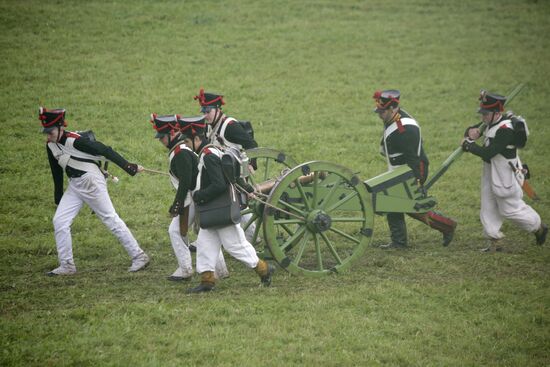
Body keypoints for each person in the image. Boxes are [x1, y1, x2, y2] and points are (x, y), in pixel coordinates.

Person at [39, 107, 149, 275]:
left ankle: (139, 256)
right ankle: (67, 265)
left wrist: (129, 167)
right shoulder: (50, 146)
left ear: (61, 127)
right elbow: (56, 172)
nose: (48, 136)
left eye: (51, 132)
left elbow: (105, 151)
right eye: (46, 133)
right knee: (59, 221)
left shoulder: (76, 141)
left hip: (91, 182)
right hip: (75, 184)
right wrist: (58, 197)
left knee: (110, 219)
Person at [178, 119, 274, 293]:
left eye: (186, 141)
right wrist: (248, 188)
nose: (186, 145)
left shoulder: (208, 156)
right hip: (212, 211)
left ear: (196, 139)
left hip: (219, 209)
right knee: (205, 243)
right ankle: (207, 281)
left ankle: (264, 270)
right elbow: (232, 175)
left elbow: (220, 184)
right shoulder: (214, 150)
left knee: (235, 246)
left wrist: (199, 195)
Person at [462, 90, 547, 251]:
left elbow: (488, 153)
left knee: (509, 210)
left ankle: (538, 226)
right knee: (487, 206)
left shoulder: (505, 130)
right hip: (490, 170)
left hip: (504, 173)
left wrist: (469, 145)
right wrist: (470, 132)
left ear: (495, 113)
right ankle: (495, 241)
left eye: (486, 114)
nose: (483, 117)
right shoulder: (491, 122)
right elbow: (477, 131)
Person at [372, 90, 457, 249]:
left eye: (382, 111)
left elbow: (413, 159)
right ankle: (399, 242)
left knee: (412, 206)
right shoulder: (393, 119)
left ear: (393, 109)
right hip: (398, 170)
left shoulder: (405, 129)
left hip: (412, 170)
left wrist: (416, 182)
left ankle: (447, 226)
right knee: (392, 203)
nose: (379, 114)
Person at [150, 114, 228, 281]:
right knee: (207, 231)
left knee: (176, 231)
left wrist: (177, 204)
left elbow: (186, 181)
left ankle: (186, 269)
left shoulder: (180, 152)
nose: (161, 141)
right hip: (195, 196)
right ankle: (221, 270)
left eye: (162, 137)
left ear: (172, 134)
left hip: (194, 197)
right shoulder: (180, 150)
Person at [193, 88, 258, 243]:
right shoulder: (209, 125)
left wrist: (252, 164)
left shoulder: (230, 126)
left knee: (240, 204)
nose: (205, 114)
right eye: (203, 111)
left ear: (217, 109)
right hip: (221, 169)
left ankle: (252, 236)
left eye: (208, 111)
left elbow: (251, 143)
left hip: (235, 170)